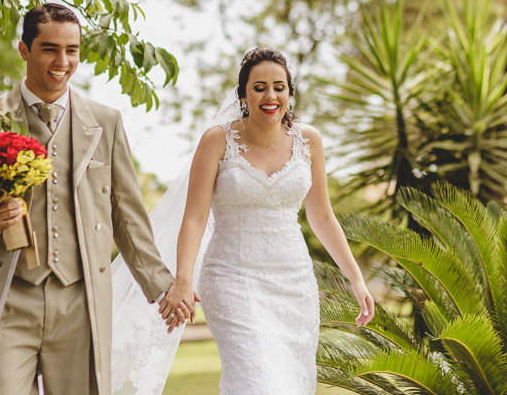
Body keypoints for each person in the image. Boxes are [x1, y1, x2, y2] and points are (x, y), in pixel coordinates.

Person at [0, 3, 193, 395]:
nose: (62, 61)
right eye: (49, 48)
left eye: (72, 50)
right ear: (24, 49)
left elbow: (126, 215)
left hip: (81, 300)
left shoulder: (105, 122)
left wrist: (162, 285)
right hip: (10, 297)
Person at [157, 47, 375, 394]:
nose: (270, 96)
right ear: (243, 94)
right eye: (259, 87)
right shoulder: (217, 140)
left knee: (289, 384)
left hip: (294, 285)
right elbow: (195, 218)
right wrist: (183, 279)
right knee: (255, 381)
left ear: (290, 92)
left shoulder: (309, 141)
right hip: (231, 278)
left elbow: (322, 216)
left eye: (279, 86)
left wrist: (356, 278)